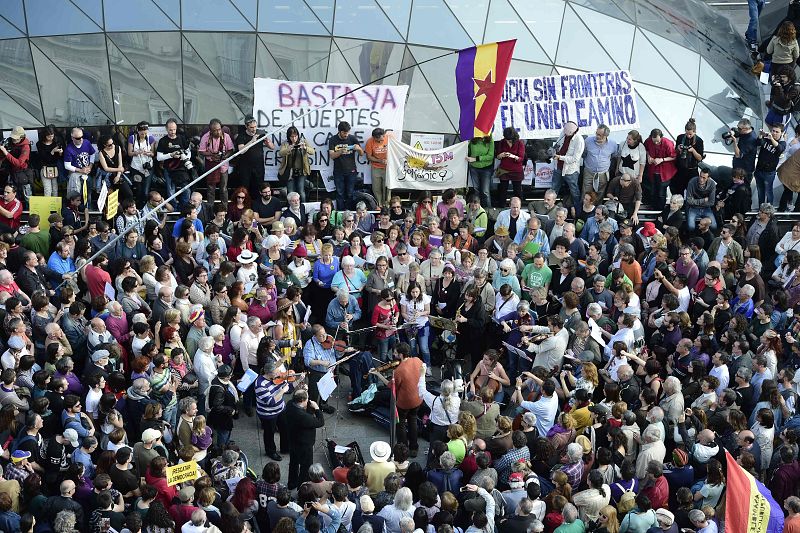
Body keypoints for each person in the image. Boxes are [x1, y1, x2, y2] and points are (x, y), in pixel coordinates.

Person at [285, 389, 324, 490]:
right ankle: (302, 488)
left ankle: (292, 483)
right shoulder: (303, 417)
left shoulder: (290, 404)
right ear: (302, 400)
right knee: (305, 467)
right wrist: (317, 408)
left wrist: (304, 392)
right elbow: (320, 422)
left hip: (293, 440)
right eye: (307, 398)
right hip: (304, 445)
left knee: (293, 464)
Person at [156, 118, 192, 210]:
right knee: (170, 192)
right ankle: (175, 209)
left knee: (186, 189)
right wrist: (171, 155)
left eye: (174, 129)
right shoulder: (163, 141)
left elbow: (188, 151)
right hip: (169, 169)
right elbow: (159, 157)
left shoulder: (181, 138)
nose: (172, 132)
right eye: (170, 130)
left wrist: (186, 158)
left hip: (182, 168)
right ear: (166, 129)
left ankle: (184, 208)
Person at [236, 116, 275, 197]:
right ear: (246, 126)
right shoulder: (241, 136)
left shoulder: (260, 133)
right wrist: (252, 141)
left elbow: (272, 147)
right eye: (251, 127)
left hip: (258, 166)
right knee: (245, 187)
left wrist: (267, 142)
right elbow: (241, 151)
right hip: (245, 167)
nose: (254, 129)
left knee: (258, 187)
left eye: (255, 127)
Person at [329, 122, 364, 211]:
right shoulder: (333, 140)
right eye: (344, 133)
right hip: (338, 171)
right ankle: (340, 212)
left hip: (351, 171)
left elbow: (361, 154)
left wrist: (359, 149)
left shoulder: (352, 138)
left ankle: (349, 212)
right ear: (339, 131)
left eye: (347, 132)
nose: (346, 135)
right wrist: (340, 151)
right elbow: (332, 156)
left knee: (350, 193)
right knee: (339, 193)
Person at [551, 121, 585, 212]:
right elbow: (558, 144)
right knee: (554, 189)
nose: (564, 133)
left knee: (574, 191)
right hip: (558, 166)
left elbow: (575, 159)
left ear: (572, 132)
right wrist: (554, 151)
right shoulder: (564, 132)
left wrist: (560, 157)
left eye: (567, 133)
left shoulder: (579, 140)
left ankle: (578, 211)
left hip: (570, 170)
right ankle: (550, 208)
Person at [199, 118, 234, 205]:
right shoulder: (205, 137)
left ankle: (224, 210)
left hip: (223, 165)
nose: (218, 132)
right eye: (215, 130)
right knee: (211, 189)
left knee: (223, 189)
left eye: (219, 129)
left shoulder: (226, 136)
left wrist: (224, 156)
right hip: (211, 165)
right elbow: (201, 151)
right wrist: (211, 154)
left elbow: (231, 150)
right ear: (210, 130)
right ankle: (210, 210)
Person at [279, 126, 315, 204]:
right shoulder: (286, 144)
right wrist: (288, 149)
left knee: (300, 190)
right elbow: (281, 153)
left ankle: (304, 207)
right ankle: (290, 208)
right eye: (292, 136)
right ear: (289, 137)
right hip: (290, 172)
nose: (294, 138)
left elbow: (312, 151)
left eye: (295, 136)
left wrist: (305, 147)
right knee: (290, 191)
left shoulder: (303, 141)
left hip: (301, 171)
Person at [753, 123, 786, 205]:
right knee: (760, 191)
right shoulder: (767, 138)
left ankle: (769, 209)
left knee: (768, 191)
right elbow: (758, 143)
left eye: (777, 132)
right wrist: (761, 135)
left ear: (781, 133)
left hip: (769, 173)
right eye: (773, 131)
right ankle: (761, 208)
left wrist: (771, 139)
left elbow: (780, 149)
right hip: (759, 169)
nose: (774, 133)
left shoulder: (782, 143)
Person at [495, 127, 525, 207]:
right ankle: (502, 206)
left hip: (516, 170)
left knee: (517, 190)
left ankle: (518, 207)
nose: (508, 141)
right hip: (504, 169)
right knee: (502, 190)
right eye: (506, 139)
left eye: (510, 140)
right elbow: (497, 156)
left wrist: (513, 156)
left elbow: (521, 158)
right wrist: (500, 155)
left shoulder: (520, 143)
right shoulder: (502, 142)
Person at [365, 128, 389, 207]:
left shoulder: (389, 138)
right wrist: (379, 161)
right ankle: (379, 205)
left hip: (388, 168)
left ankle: (387, 205)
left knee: (387, 188)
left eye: (380, 140)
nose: (379, 142)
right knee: (376, 188)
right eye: (376, 140)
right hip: (376, 167)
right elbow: (368, 157)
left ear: (384, 135)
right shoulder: (369, 141)